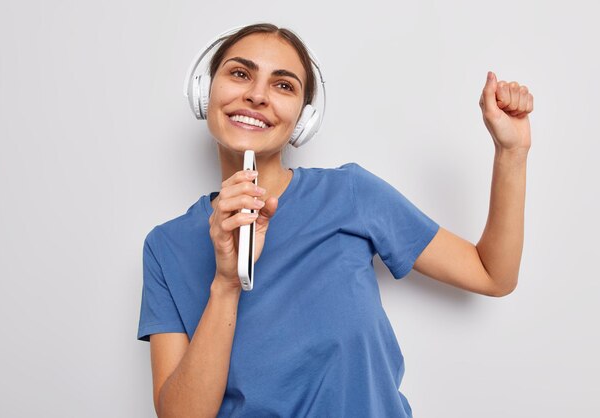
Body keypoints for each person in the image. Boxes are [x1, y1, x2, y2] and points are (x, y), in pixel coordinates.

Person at [137, 23, 533, 418]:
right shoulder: (166, 246)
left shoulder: (351, 195)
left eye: (283, 85)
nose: (256, 95)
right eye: (240, 74)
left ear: (303, 119)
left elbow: (492, 274)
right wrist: (226, 284)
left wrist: (511, 152)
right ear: (205, 92)